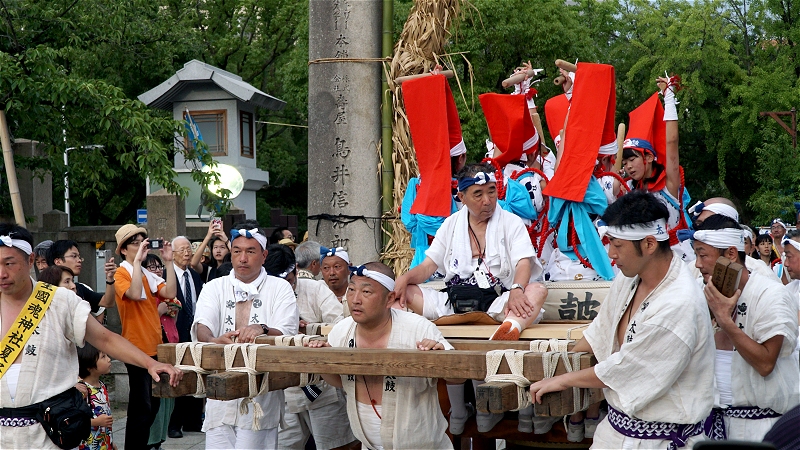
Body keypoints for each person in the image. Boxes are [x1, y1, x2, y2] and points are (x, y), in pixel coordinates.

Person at [529, 191, 715, 449]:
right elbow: (600, 332)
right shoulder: (628, 278)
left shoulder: (679, 302)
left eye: (617, 245)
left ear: (649, 244)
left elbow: (628, 370)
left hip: (661, 440)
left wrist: (562, 379)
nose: (610, 254)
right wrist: (553, 363)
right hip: (614, 431)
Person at [0, 222, 182, 449]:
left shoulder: (59, 300)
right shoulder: (126, 272)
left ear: (30, 261)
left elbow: (105, 338)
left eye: (9, 263)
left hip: (49, 433)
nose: (2, 273)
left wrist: (150, 363)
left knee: (146, 410)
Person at [307, 262, 455, 450]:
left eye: (366, 292)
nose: (355, 299)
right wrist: (323, 360)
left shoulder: (418, 327)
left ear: (389, 299)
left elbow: (456, 378)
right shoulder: (341, 331)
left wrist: (440, 357)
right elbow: (341, 381)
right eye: (351, 290)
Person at [394, 163, 546, 340]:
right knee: (405, 290)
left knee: (537, 290)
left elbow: (523, 262)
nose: (487, 200)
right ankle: (399, 334)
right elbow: (428, 265)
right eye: (478, 194)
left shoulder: (512, 222)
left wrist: (517, 290)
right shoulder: (450, 224)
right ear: (462, 197)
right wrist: (404, 279)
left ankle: (509, 328)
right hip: (453, 303)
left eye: (491, 191)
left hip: (499, 301)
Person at [688, 214, 799, 441]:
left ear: (730, 253)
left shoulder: (771, 294)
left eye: (703, 255)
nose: (698, 264)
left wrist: (725, 321)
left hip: (763, 428)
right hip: (713, 425)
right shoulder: (705, 293)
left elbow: (766, 363)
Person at [192, 226, 299, 449]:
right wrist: (214, 340)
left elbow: (287, 331)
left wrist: (263, 328)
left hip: (260, 392)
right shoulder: (214, 286)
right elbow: (202, 325)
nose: (243, 258)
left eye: (250, 251)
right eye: (237, 251)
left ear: (264, 255)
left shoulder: (280, 288)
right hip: (219, 391)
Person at [265, 244, 356, 450]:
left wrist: (311, 331)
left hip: (320, 384)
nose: (284, 287)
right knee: (282, 446)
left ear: (295, 270)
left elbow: (340, 325)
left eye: (288, 281)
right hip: (284, 387)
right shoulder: (262, 294)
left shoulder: (316, 289)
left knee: (335, 445)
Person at [113, 224, 178, 450]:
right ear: (123, 249)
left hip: (154, 346)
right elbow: (132, 293)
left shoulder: (148, 275)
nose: (141, 244)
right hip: (135, 347)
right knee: (142, 407)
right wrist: (138, 263)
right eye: (135, 242)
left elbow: (170, 294)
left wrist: (169, 262)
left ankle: (140, 446)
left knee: (155, 403)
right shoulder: (121, 272)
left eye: (143, 240)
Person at [167, 236, 205, 439]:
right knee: (177, 377)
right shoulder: (167, 275)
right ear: (172, 254)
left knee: (195, 374)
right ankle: (174, 423)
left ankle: (193, 420)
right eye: (182, 250)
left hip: (195, 332)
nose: (187, 253)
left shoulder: (194, 275)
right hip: (175, 333)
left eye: (189, 249)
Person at [47, 239, 117, 317]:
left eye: (79, 257)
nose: (79, 260)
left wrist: (110, 278)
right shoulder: (45, 289)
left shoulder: (79, 288)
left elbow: (108, 302)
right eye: (74, 256)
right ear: (58, 261)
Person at [77, 343, 115, 450]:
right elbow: (74, 421)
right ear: (89, 366)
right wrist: (95, 422)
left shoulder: (102, 386)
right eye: (103, 357)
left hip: (105, 443)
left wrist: (111, 442)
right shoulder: (81, 389)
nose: (109, 359)